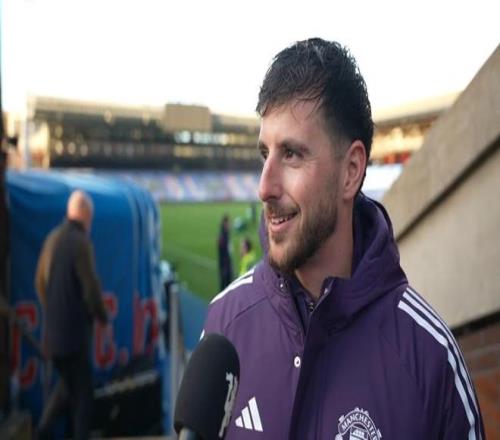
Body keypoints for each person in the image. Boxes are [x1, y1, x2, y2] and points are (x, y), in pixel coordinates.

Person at [203, 39, 484, 439]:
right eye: (265, 154)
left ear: (351, 171)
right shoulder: (224, 325)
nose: (264, 187)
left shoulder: (430, 357)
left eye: (292, 154)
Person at [35, 190, 107, 440]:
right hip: (74, 336)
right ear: (86, 215)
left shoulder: (53, 239)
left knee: (67, 388)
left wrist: (53, 311)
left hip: (53, 336)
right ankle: (45, 433)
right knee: (84, 397)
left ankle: (42, 432)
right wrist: (102, 317)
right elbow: (91, 289)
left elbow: (40, 283)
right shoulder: (80, 243)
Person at [217, 214, 233, 290]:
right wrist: (225, 266)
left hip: (226, 264)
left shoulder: (226, 234)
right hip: (225, 265)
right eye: (228, 223)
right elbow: (222, 252)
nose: (230, 225)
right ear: (225, 224)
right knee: (225, 285)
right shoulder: (222, 236)